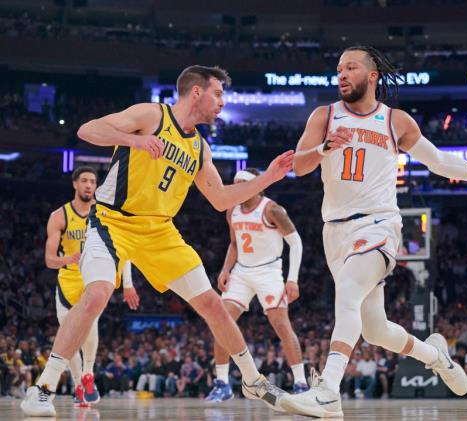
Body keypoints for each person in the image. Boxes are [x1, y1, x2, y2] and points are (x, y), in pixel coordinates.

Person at [21, 65, 293, 417]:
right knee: (98, 293)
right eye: (218, 94)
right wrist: (134, 139)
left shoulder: (199, 147)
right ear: (196, 92)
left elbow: (221, 199)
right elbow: (88, 130)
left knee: (212, 302)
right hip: (112, 222)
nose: (222, 102)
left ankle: (253, 381)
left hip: (160, 231)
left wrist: (268, 177)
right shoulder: (152, 115)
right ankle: (43, 387)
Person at [280, 45, 467, 417]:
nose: (342, 74)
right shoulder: (324, 116)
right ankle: (435, 355)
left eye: (350, 67)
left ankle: (328, 392)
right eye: (338, 69)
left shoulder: (395, 121)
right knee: (375, 330)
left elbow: (439, 161)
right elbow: (298, 166)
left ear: (372, 76)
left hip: (379, 224)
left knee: (348, 293)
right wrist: (322, 148)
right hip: (334, 231)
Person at [206, 167, 307, 402]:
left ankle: (301, 382)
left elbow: (296, 243)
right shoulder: (232, 210)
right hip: (242, 272)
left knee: (281, 324)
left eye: (242, 183)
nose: (236, 187)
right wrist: (225, 269)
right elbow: (234, 243)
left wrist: (292, 278)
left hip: (269, 272)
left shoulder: (272, 209)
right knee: (220, 322)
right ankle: (222, 383)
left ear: (256, 186)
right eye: (235, 183)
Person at [43, 166, 137, 407]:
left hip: (93, 277)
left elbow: (123, 250)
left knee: (89, 324)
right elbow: (49, 260)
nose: (88, 185)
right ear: (75, 184)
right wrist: (67, 259)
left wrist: (128, 284)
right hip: (67, 281)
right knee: (69, 335)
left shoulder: (105, 213)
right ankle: (78, 384)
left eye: (92, 182)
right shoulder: (59, 215)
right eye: (84, 181)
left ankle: (88, 373)